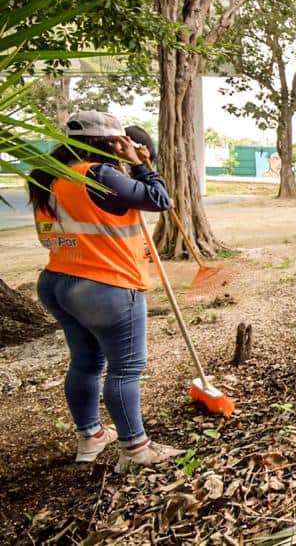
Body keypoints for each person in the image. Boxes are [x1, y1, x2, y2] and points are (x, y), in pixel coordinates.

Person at [28, 111, 184, 471]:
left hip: (58, 281)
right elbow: (161, 200)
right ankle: (135, 449)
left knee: (85, 362)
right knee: (125, 368)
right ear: (112, 142)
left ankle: (91, 436)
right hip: (105, 285)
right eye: (120, 142)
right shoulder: (99, 175)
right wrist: (140, 164)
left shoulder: (49, 176)